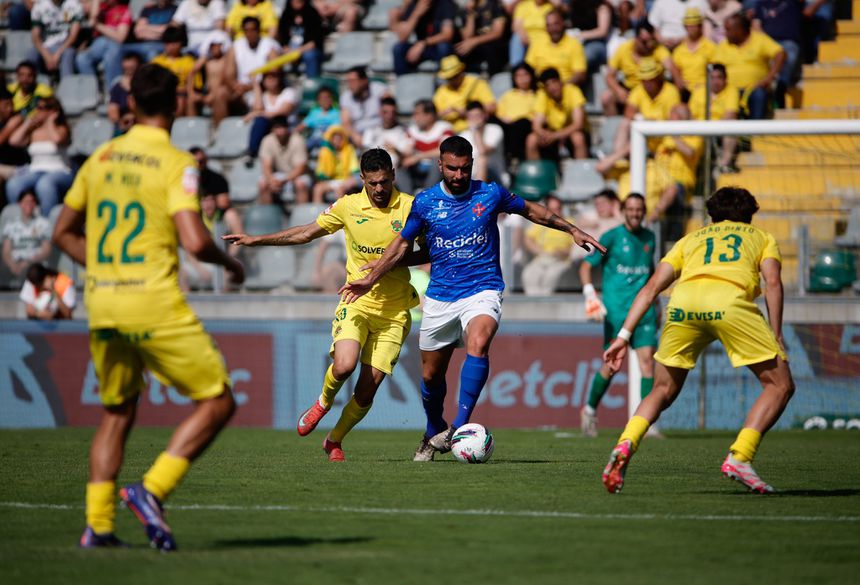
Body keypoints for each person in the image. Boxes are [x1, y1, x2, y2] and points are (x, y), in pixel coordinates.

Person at [52, 63, 245, 550]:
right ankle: (152, 489)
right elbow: (195, 241)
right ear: (177, 105)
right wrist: (231, 263)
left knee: (116, 412)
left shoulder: (99, 158)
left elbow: (63, 233)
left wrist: (104, 266)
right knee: (218, 400)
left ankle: (98, 526)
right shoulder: (176, 163)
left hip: (103, 303)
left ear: (131, 104)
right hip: (152, 302)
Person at [338, 136, 606, 461]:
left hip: (483, 287)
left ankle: (458, 428)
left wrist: (571, 229)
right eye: (452, 168)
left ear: (472, 165)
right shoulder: (425, 202)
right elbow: (402, 245)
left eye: (465, 168)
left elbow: (531, 210)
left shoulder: (489, 193)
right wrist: (373, 275)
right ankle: (433, 430)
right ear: (440, 165)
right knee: (430, 376)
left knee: (478, 342)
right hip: (441, 295)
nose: (459, 175)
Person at [223, 148, 421, 461]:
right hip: (356, 301)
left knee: (367, 390)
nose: (379, 189)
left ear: (393, 176)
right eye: (372, 183)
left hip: (394, 311)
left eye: (384, 181)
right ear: (362, 179)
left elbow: (431, 250)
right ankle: (323, 403)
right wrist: (256, 240)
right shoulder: (348, 206)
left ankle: (334, 440)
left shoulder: (411, 207)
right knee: (344, 365)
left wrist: (391, 261)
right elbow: (305, 233)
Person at [601, 186, 795, 494]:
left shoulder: (690, 239)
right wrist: (777, 331)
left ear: (712, 215)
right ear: (749, 215)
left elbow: (651, 288)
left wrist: (623, 337)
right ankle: (740, 456)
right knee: (780, 385)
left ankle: (625, 443)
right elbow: (772, 282)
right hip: (730, 302)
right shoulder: (761, 237)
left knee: (662, 389)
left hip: (683, 305)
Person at [579, 192, 656, 437]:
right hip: (616, 313)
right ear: (623, 211)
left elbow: (651, 273)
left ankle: (646, 423)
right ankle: (589, 410)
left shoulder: (650, 238)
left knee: (647, 362)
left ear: (644, 212)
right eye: (630, 209)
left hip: (644, 313)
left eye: (639, 209)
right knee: (611, 365)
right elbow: (586, 266)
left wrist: (658, 305)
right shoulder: (611, 237)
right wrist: (590, 295)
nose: (635, 213)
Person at [597, 58, 680, 176]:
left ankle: (613, 159)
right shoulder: (638, 91)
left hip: (665, 138)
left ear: (658, 78)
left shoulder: (671, 92)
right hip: (645, 137)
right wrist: (644, 121)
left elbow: (673, 121)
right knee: (626, 124)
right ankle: (619, 157)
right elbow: (628, 115)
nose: (647, 83)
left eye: (650, 79)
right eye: (644, 80)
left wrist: (651, 123)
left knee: (635, 140)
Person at [5, 96, 74, 215]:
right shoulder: (34, 131)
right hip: (36, 170)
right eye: (37, 107)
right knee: (14, 184)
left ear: (53, 111)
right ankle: (19, 218)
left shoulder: (61, 129)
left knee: (45, 185)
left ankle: (47, 221)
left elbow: (57, 140)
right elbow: (14, 141)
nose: (38, 111)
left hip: (60, 170)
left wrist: (50, 122)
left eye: (42, 108)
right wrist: (28, 123)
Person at [713, 13, 785, 119]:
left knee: (759, 95)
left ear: (739, 30)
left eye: (728, 30)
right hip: (729, 91)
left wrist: (769, 78)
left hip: (754, 90)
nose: (725, 33)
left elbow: (780, 54)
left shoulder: (760, 39)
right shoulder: (724, 45)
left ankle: (756, 129)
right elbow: (714, 68)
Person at [602, 20, 671, 115]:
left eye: (652, 40)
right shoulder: (624, 48)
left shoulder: (658, 49)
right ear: (636, 39)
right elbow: (609, 75)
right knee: (607, 97)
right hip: (630, 89)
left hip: (653, 91)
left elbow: (671, 67)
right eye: (644, 41)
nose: (649, 45)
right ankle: (614, 123)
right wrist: (619, 90)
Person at [526, 67, 588, 162]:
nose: (552, 87)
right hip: (552, 133)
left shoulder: (573, 91)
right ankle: (536, 170)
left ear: (560, 81)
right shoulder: (542, 95)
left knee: (577, 137)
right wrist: (543, 134)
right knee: (531, 139)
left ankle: (581, 169)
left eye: (554, 82)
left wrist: (555, 136)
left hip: (571, 132)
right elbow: (536, 125)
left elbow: (578, 124)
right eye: (547, 85)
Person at [521, 194, 575, 296]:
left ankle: (545, 302)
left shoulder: (570, 223)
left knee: (550, 275)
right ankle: (534, 301)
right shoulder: (541, 222)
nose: (557, 212)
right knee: (528, 274)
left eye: (558, 209)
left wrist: (562, 252)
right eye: (553, 209)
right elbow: (528, 238)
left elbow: (574, 247)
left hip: (561, 260)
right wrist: (539, 251)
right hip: (542, 258)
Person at [689, 63, 739, 173]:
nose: (715, 81)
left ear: (725, 79)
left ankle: (723, 165)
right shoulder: (698, 91)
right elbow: (691, 115)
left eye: (719, 77)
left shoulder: (731, 90)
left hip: (721, 129)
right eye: (712, 78)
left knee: (732, 128)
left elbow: (730, 114)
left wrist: (712, 128)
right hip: (699, 129)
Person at [75, 0, 133, 91]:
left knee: (112, 52)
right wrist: (96, 2)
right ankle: (92, 92)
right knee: (82, 58)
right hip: (97, 45)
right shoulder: (100, 8)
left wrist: (97, 25)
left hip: (114, 46)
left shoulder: (124, 10)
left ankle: (113, 91)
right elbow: (92, 21)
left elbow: (120, 37)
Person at [432, 54, 496, 133]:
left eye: (455, 76)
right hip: (449, 133)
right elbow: (432, 115)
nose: (452, 80)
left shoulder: (477, 83)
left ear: (461, 71)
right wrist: (446, 113)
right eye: (449, 78)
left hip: (475, 130)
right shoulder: (441, 90)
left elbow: (491, 107)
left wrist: (468, 112)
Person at [400, 99, 452, 195]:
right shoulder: (412, 130)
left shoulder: (444, 128)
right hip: (416, 169)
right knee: (399, 166)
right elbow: (407, 150)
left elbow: (444, 151)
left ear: (429, 115)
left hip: (436, 171)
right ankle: (408, 198)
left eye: (417, 114)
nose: (414, 117)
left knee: (438, 162)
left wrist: (418, 157)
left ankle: (427, 196)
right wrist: (399, 152)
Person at [525, 9, 588, 87]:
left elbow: (580, 74)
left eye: (556, 24)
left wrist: (560, 86)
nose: (552, 29)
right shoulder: (537, 43)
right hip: (541, 89)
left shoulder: (574, 44)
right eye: (549, 25)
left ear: (563, 23)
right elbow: (527, 69)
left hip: (566, 89)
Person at [391, 0, 456, 75]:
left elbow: (447, 35)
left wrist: (423, 43)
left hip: (436, 47)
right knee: (398, 48)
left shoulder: (445, 4)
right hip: (420, 49)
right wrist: (416, 14)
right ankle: (403, 80)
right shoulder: (414, 5)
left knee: (444, 47)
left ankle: (443, 79)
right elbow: (402, 38)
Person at [245, 69, 298, 157]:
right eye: (267, 77)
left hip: (286, 129)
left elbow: (284, 111)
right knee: (260, 122)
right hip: (268, 133)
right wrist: (256, 85)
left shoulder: (288, 92)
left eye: (274, 76)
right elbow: (258, 108)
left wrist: (257, 113)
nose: (271, 79)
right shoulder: (262, 96)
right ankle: (252, 153)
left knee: (262, 120)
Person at [257, 115, 311, 204]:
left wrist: (285, 180)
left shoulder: (298, 140)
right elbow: (266, 165)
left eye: (282, 127)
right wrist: (271, 180)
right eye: (277, 127)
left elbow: (300, 168)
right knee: (263, 184)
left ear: (287, 128)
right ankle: (268, 212)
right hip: (278, 175)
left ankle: (301, 212)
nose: (280, 131)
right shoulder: (267, 140)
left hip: (297, 175)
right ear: (272, 129)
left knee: (300, 184)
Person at [667, 7, 717, 101]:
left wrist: (705, 87)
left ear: (700, 27)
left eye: (694, 26)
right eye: (689, 26)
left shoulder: (710, 47)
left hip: (705, 91)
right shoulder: (679, 50)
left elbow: (715, 72)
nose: (691, 29)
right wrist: (681, 86)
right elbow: (676, 71)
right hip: (685, 92)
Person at [2, 191, 51, 285]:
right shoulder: (11, 225)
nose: (29, 204)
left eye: (32, 201)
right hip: (14, 261)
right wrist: (12, 265)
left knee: (31, 272)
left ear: (35, 204)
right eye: (25, 201)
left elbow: (46, 250)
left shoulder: (43, 224)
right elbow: (6, 251)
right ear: (20, 203)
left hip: (34, 262)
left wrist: (28, 262)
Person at [28, 0, 84, 78]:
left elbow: (73, 36)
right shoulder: (39, 5)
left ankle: (66, 83)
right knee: (31, 56)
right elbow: (35, 37)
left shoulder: (74, 4)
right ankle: (38, 83)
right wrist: (46, 56)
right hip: (45, 46)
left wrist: (57, 55)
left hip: (65, 46)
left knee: (68, 54)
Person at [495, 62, 536, 164]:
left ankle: (512, 155)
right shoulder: (508, 95)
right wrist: (504, 119)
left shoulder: (537, 95)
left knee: (522, 122)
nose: (522, 79)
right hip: (508, 126)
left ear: (531, 76)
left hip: (526, 126)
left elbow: (538, 115)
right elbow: (499, 113)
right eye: (518, 75)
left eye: (525, 75)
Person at [340, 66, 390, 148]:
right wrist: (355, 137)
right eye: (348, 81)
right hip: (358, 136)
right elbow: (346, 122)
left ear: (364, 80)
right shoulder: (346, 96)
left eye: (353, 81)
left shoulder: (379, 89)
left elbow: (389, 107)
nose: (350, 85)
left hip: (379, 133)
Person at [151, 25, 196, 116]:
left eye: (174, 42)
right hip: (161, 95)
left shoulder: (190, 62)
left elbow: (193, 87)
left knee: (181, 102)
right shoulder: (156, 62)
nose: (171, 46)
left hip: (182, 96)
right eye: (168, 43)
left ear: (181, 43)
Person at [454, 0, 507, 75]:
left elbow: (498, 33)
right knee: (460, 48)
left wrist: (474, 41)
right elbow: (467, 38)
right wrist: (470, 16)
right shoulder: (464, 10)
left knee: (490, 47)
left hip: (493, 47)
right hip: (476, 50)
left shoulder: (494, 4)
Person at [459, 101, 505, 184]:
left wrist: (475, 130)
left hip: (495, 178)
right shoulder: (463, 135)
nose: (474, 119)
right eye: (471, 116)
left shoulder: (495, 129)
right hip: (470, 177)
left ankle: (479, 191)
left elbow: (482, 151)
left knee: (482, 160)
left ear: (485, 115)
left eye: (477, 115)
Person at [360, 96, 412, 169]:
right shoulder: (370, 131)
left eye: (393, 112)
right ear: (379, 112)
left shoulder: (404, 131)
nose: (389, 116)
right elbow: (364, 155)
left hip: (397, 171)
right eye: (385, 112)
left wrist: (395, 150)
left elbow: (408, 157)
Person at [312, 125, 360, 203]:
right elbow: (321, 169)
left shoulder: (349, 149)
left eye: (339, 139)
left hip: (345, 179)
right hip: (331, 180)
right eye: (335, 139)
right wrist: (322, 176)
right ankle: (318, 209)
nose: (337, 141)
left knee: (340, 190)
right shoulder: (325, 151)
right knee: (318, 189)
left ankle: (339, 210)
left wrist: (350, 178)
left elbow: (353, 167)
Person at [277, 0, 324, 77]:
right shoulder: (286, 15)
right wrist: (287, 50)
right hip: (290, 50)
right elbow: (282, 39)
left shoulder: (312, 14)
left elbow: (314, 42)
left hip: (308, 49)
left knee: (310, 56)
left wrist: (297, 52)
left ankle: (311, 81)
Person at [108, 51, 142, 135]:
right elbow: (112, 113)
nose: (129, 73)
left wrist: (134, 117)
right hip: (123, 128)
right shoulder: (117, 88)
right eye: (126, 69)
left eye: (132, 69)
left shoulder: (146, 86)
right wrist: (122, 120)